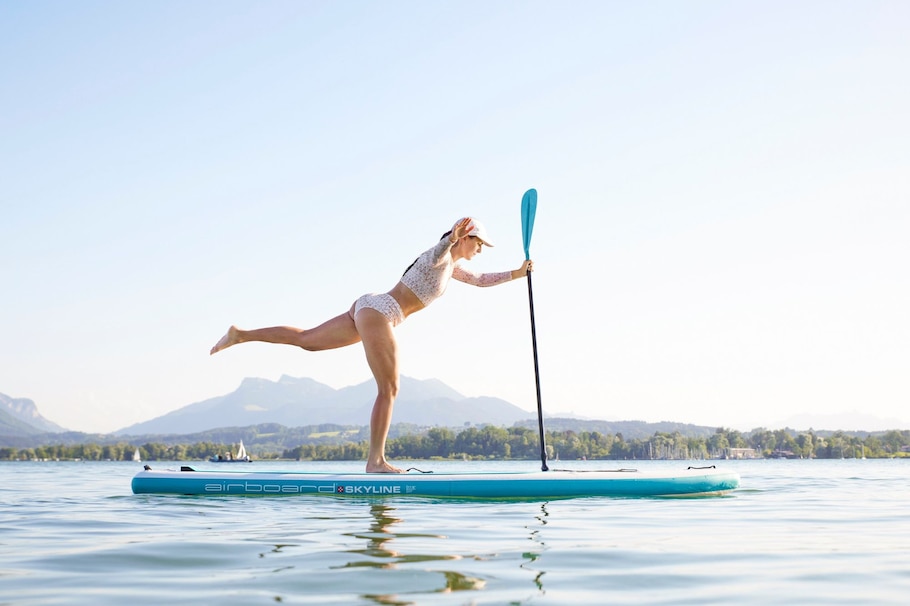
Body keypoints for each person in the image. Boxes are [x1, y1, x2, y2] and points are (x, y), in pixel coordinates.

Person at [210, 217, 533, 473]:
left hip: (369, 307)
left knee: (307, 341)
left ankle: (241, 334)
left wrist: (517, 274)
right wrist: (449, 238)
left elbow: (480, 280)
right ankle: (375, 462)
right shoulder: (439, 256)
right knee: (389, 389)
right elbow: (436, 252)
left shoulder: (453, 267)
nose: (481, 249)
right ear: (464, 238)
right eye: (479, 243)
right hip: (381, 312)